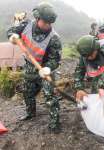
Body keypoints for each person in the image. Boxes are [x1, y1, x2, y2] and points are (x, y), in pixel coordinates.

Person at [7, 3, 62, 133]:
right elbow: (11, 30)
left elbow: (55, 59)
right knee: (27, 91)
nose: (47, 25)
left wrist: (48, 69)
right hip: (30, 66)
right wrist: (13, 36)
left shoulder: (54, 38)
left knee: (50, 96)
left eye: (49, 23)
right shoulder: (25, 25)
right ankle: (30, 113)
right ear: (38, 18)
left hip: (45, 69)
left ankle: (55, 123)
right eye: (45, 22)